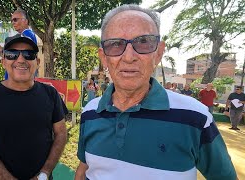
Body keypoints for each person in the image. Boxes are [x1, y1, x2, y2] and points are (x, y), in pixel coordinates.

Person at [75, 4, 236, 180]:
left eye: (143, 42)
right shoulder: (90, 112)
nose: (129, 57)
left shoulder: (195, 117)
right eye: (115, 44)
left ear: (159, 53)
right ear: (104, 57)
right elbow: (84, 169)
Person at [0, 33, 67, 180]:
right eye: (12, 54)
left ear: (37, 62)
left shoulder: (50, 93)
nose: (20, 59)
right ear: (3, 62)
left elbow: (61, 134)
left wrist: (44, 173)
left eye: (28, 54)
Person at [0, 8, 38, 79]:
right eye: (12, 20)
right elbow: (16, 57)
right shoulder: (28, 35)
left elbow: (21, 58)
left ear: (25, 21)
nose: (13, 22)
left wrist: (1, 51)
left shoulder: (26, 34)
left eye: (15, 19)